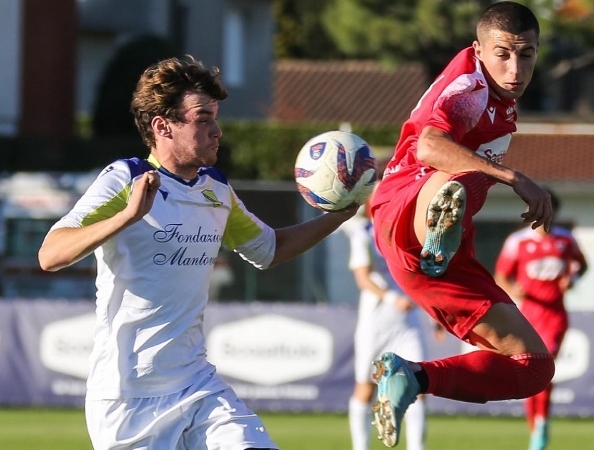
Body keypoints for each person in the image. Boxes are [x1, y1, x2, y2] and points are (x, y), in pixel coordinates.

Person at [37, 55, 357, 450]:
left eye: (216, 117)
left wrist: (341, 215)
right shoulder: (126, 179)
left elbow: (271, 248)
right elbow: (50, 254)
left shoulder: (216, 191)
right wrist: (128, 215)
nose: (218, 130)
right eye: (203, 118)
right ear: (162, 126)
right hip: (126, 398)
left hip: (197, 386)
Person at [367, 2, 555, 447]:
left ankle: (412, 377)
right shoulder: (469, 87)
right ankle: (436, 226)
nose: (515, 67)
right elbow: (430, 146)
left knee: (533, 367)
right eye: (502, 53)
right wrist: (515, 178)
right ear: (478, 50)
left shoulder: (500, 100)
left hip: (445, 257)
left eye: (526, 54)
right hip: (402, 207)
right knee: (466, 173)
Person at [494, 188, 588, 450]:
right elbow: (501, 276)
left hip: (555, 317)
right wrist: (514, 291)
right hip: (527, 318)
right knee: (529, 374)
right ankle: (536, 430)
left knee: (544, 371)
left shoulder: (566, 240)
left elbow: (583, 265)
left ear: (553, 211)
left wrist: (573, 280)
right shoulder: (517, 243)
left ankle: (542, 425)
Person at [340, 199, 429, 450]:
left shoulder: (408, 233)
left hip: (408, 323)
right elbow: (363, 277)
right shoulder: (362, 233)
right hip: (376, 322)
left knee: (420, 385)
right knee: (366, 389)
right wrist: (392, 297)